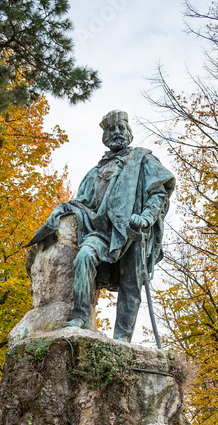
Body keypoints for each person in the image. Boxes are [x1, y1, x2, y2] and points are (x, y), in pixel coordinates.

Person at [27, 110, 175, 342]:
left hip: (133, 230)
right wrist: (62, 209)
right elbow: (82, 203)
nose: (117, 132)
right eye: (111, 129)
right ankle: (81, 316)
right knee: (84, 257)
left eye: (121, 128)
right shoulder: (94, 172)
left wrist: (145, 218)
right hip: (102, 231)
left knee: (131, 284)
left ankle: (122, 339)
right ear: (105, 137)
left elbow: (158, 194)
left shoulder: (143, 159)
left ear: (129, 132)